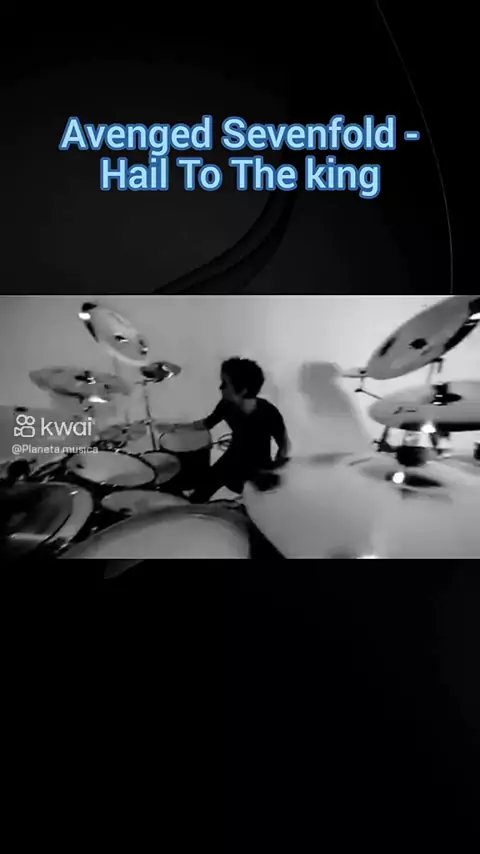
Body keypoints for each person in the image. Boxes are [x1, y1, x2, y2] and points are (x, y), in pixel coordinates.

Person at [187, 358, 290, 502]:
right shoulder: (226, 405)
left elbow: (284, 446)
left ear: (242, 391)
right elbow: (207, 423)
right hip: (231, 459)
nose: (220, 387)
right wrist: (176, 427)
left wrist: (275, 467)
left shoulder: (269, 413)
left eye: (225, 383)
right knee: (198, 496)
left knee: (253, 506)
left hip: (257, 468)